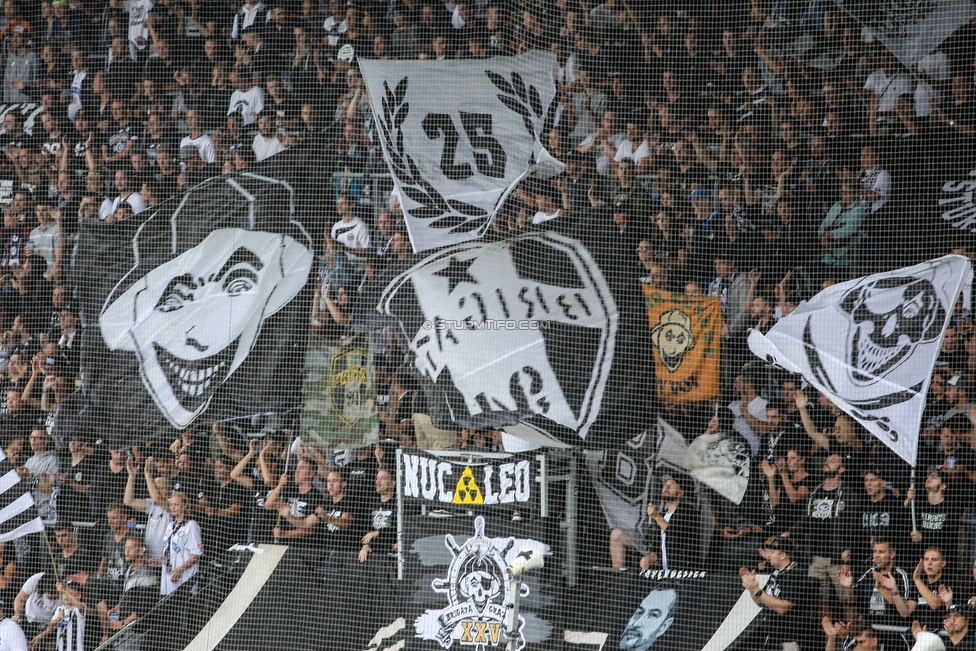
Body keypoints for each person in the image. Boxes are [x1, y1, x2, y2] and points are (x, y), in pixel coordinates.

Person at [840, 537, 917, 649]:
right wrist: (848, 587)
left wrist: (882, 588)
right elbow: (851, 599)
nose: (876, 555)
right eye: (875, 551)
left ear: (892, 553)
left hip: (893, 635)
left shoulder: (902, 576)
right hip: (869, 633)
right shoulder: (869, 573)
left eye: (881, 552)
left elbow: (904, 612)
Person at [740, 537, 813, 651]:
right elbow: (761, 602)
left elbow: (782, 607)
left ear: (782, 555)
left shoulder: (795, 574)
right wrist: (752, 588)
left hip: (790, 639)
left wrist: (758, 591)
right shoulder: (776, 574)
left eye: (772, 552)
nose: (769, 556)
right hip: (773, 637)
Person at [161, 492, 204, 596]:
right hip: (168, 574)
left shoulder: (191, 525)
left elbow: (197, 554)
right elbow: (169, 550)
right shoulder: (170, 526)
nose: (173, 507)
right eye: (171, 504)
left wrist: (180, 569)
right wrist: (159, 559)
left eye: (176, 504)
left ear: (185, 505)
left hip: (185, 576)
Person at [358, 468, 395, 564]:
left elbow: (397, 529)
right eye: (377, 478)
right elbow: (365, 529)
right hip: (373, 553)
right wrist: (365, 546)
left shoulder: (398, 505)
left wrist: (376, 533)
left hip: (390, 555)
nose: (378, 482)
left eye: (382, 479)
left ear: (392, 483)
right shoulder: (371, 504)